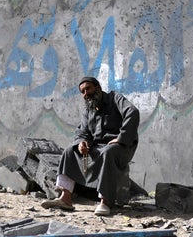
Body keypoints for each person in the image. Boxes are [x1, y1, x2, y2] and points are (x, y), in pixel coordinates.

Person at [41, 76, 139, 216]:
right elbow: (82, 132)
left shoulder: (114, 98)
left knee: (108, 152)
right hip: (98, 147)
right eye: (83, 92)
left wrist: (121, 138)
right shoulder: (88, 110)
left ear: (97, 87)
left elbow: (133, 112)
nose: (86, 94)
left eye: (88, 89)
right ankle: (65, 198)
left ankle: (105, 202)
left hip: (121, 147)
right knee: (70, 151)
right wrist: (82, 143)